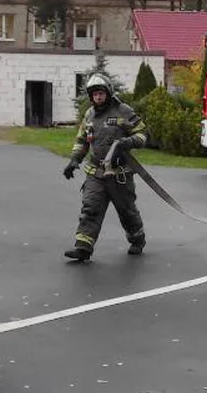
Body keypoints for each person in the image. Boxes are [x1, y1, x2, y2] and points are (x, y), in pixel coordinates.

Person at [63, 74, 149, 261]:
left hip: (120, 175)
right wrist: (74, 160)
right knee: (90, 208)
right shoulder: (89, 115)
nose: (98, 97)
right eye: (95, 94)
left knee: (127, 211)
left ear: (108, 93)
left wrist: (128, 142)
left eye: (101, 93)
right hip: (96, 173)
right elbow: (82, 140)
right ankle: (83, 247)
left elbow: (142, 134)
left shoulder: (123, 111)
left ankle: (137, 239)